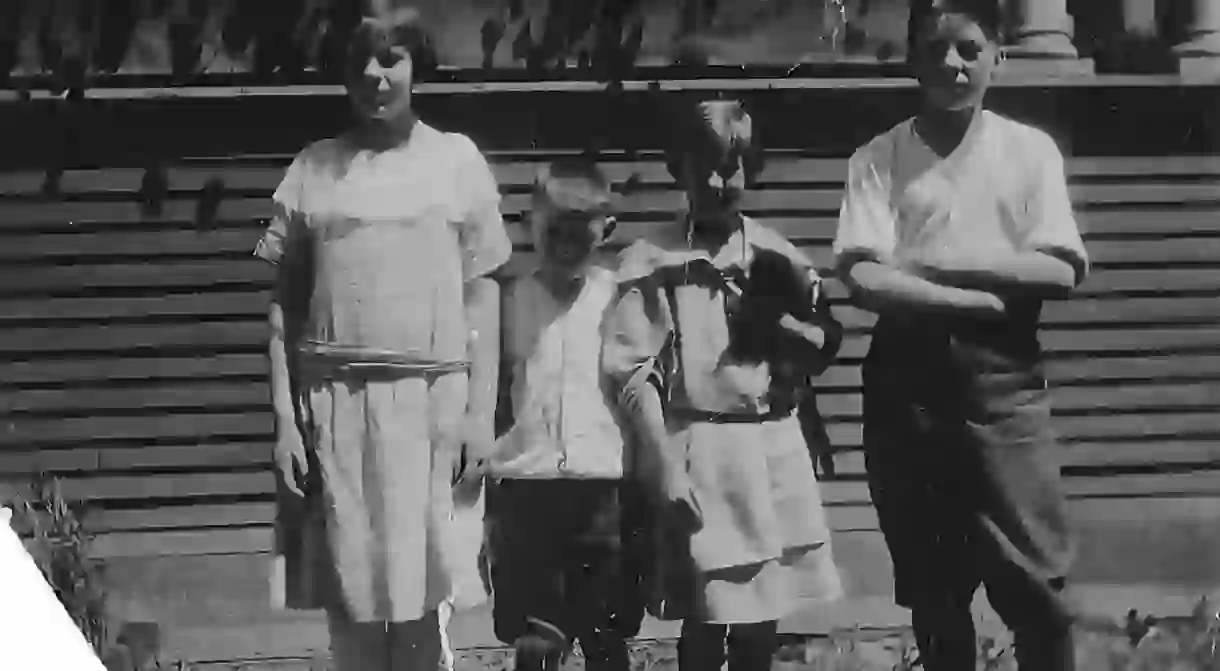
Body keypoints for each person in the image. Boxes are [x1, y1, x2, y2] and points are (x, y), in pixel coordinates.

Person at [832, 1, 1090, 670]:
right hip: (905, 386)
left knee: (1038, 586)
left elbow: (1057, 267)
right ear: (913, 59)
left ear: (998, 57)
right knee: (935, 589)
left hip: (1003, 385)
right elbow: (863, 273)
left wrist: (940, 262)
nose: (952, 62)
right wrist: (976, 299)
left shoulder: (1028, 151)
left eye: (970, 49)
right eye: (936, 48)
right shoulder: (880, 156)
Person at [255, 8, 511, 671]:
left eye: (391, 58)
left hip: (433, 406)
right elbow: (284, 305)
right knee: (355, 600)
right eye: (360, 60)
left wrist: (481, 415)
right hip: (336, 409)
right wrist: (285, 421)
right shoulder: (314, 170)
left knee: (425, 605)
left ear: (416, 65)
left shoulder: (457, 161)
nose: (375, 74)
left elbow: (485, 289)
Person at [604, 97, 844, 671]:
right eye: (705, 165)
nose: (719, 180)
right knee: (707, 613)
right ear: (678, 169)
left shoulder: (777, 257)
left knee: (763, 616)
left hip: (770, 451)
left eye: (734, 166)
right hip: (703, 454)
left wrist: (790, 332)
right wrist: (661, 464)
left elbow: (818, 346)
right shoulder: (654, 260)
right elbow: (632, 374)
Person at [484, 160, 646, 671]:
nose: (567, 244)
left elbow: (640, 389)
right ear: (529, 225)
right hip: (528, 490)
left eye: (582, 232)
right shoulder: (509, 303)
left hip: (603, 491)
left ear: (606, 230)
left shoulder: (619, 299)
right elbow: (488, 401)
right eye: (554, 230)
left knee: (604, 632)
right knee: (536, 640)